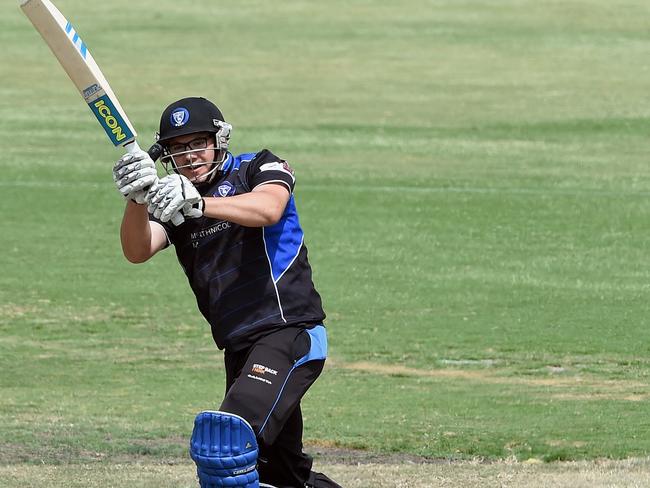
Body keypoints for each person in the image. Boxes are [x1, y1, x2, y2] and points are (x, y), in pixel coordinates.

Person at [112, 97, 342, 488]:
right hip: (239, 348)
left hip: (288, 333)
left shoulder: (258, 166)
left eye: (197, 142)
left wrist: (202, 203)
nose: (189, 155)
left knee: (224, 448)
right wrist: (135, 200)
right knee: (283, 477)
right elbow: (137, 250)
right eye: (178, 148)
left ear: (219, 139)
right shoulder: (174, 200)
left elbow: (269, 208)